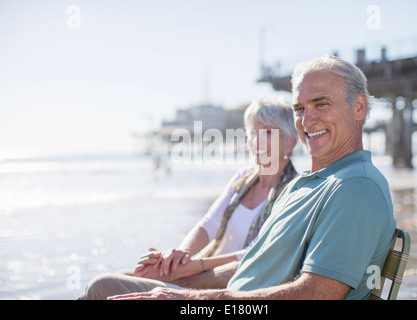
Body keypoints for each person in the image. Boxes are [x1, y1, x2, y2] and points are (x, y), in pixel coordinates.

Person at [109, 55, 397, 301]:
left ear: (359, 107)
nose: (307, 121)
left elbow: (316, 292)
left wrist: (193, 298)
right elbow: (252, 262)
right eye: (299, 108)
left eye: (321, 104)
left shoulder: (355, 186)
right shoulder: (306, 184)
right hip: (233, 296)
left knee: (102, 287)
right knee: (118, 282)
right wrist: (181, 275)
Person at [78, 97, 299, 299]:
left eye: (268, 132)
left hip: (224, 287)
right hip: (202, 272)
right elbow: (208, 224)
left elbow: (255, 252)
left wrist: (195, 266)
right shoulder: (243, 178)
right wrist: (178, 258)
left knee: (103, 285)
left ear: (290, 142)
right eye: (252, 132)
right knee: (122, 275)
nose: (256, 140)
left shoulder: (294, 191)